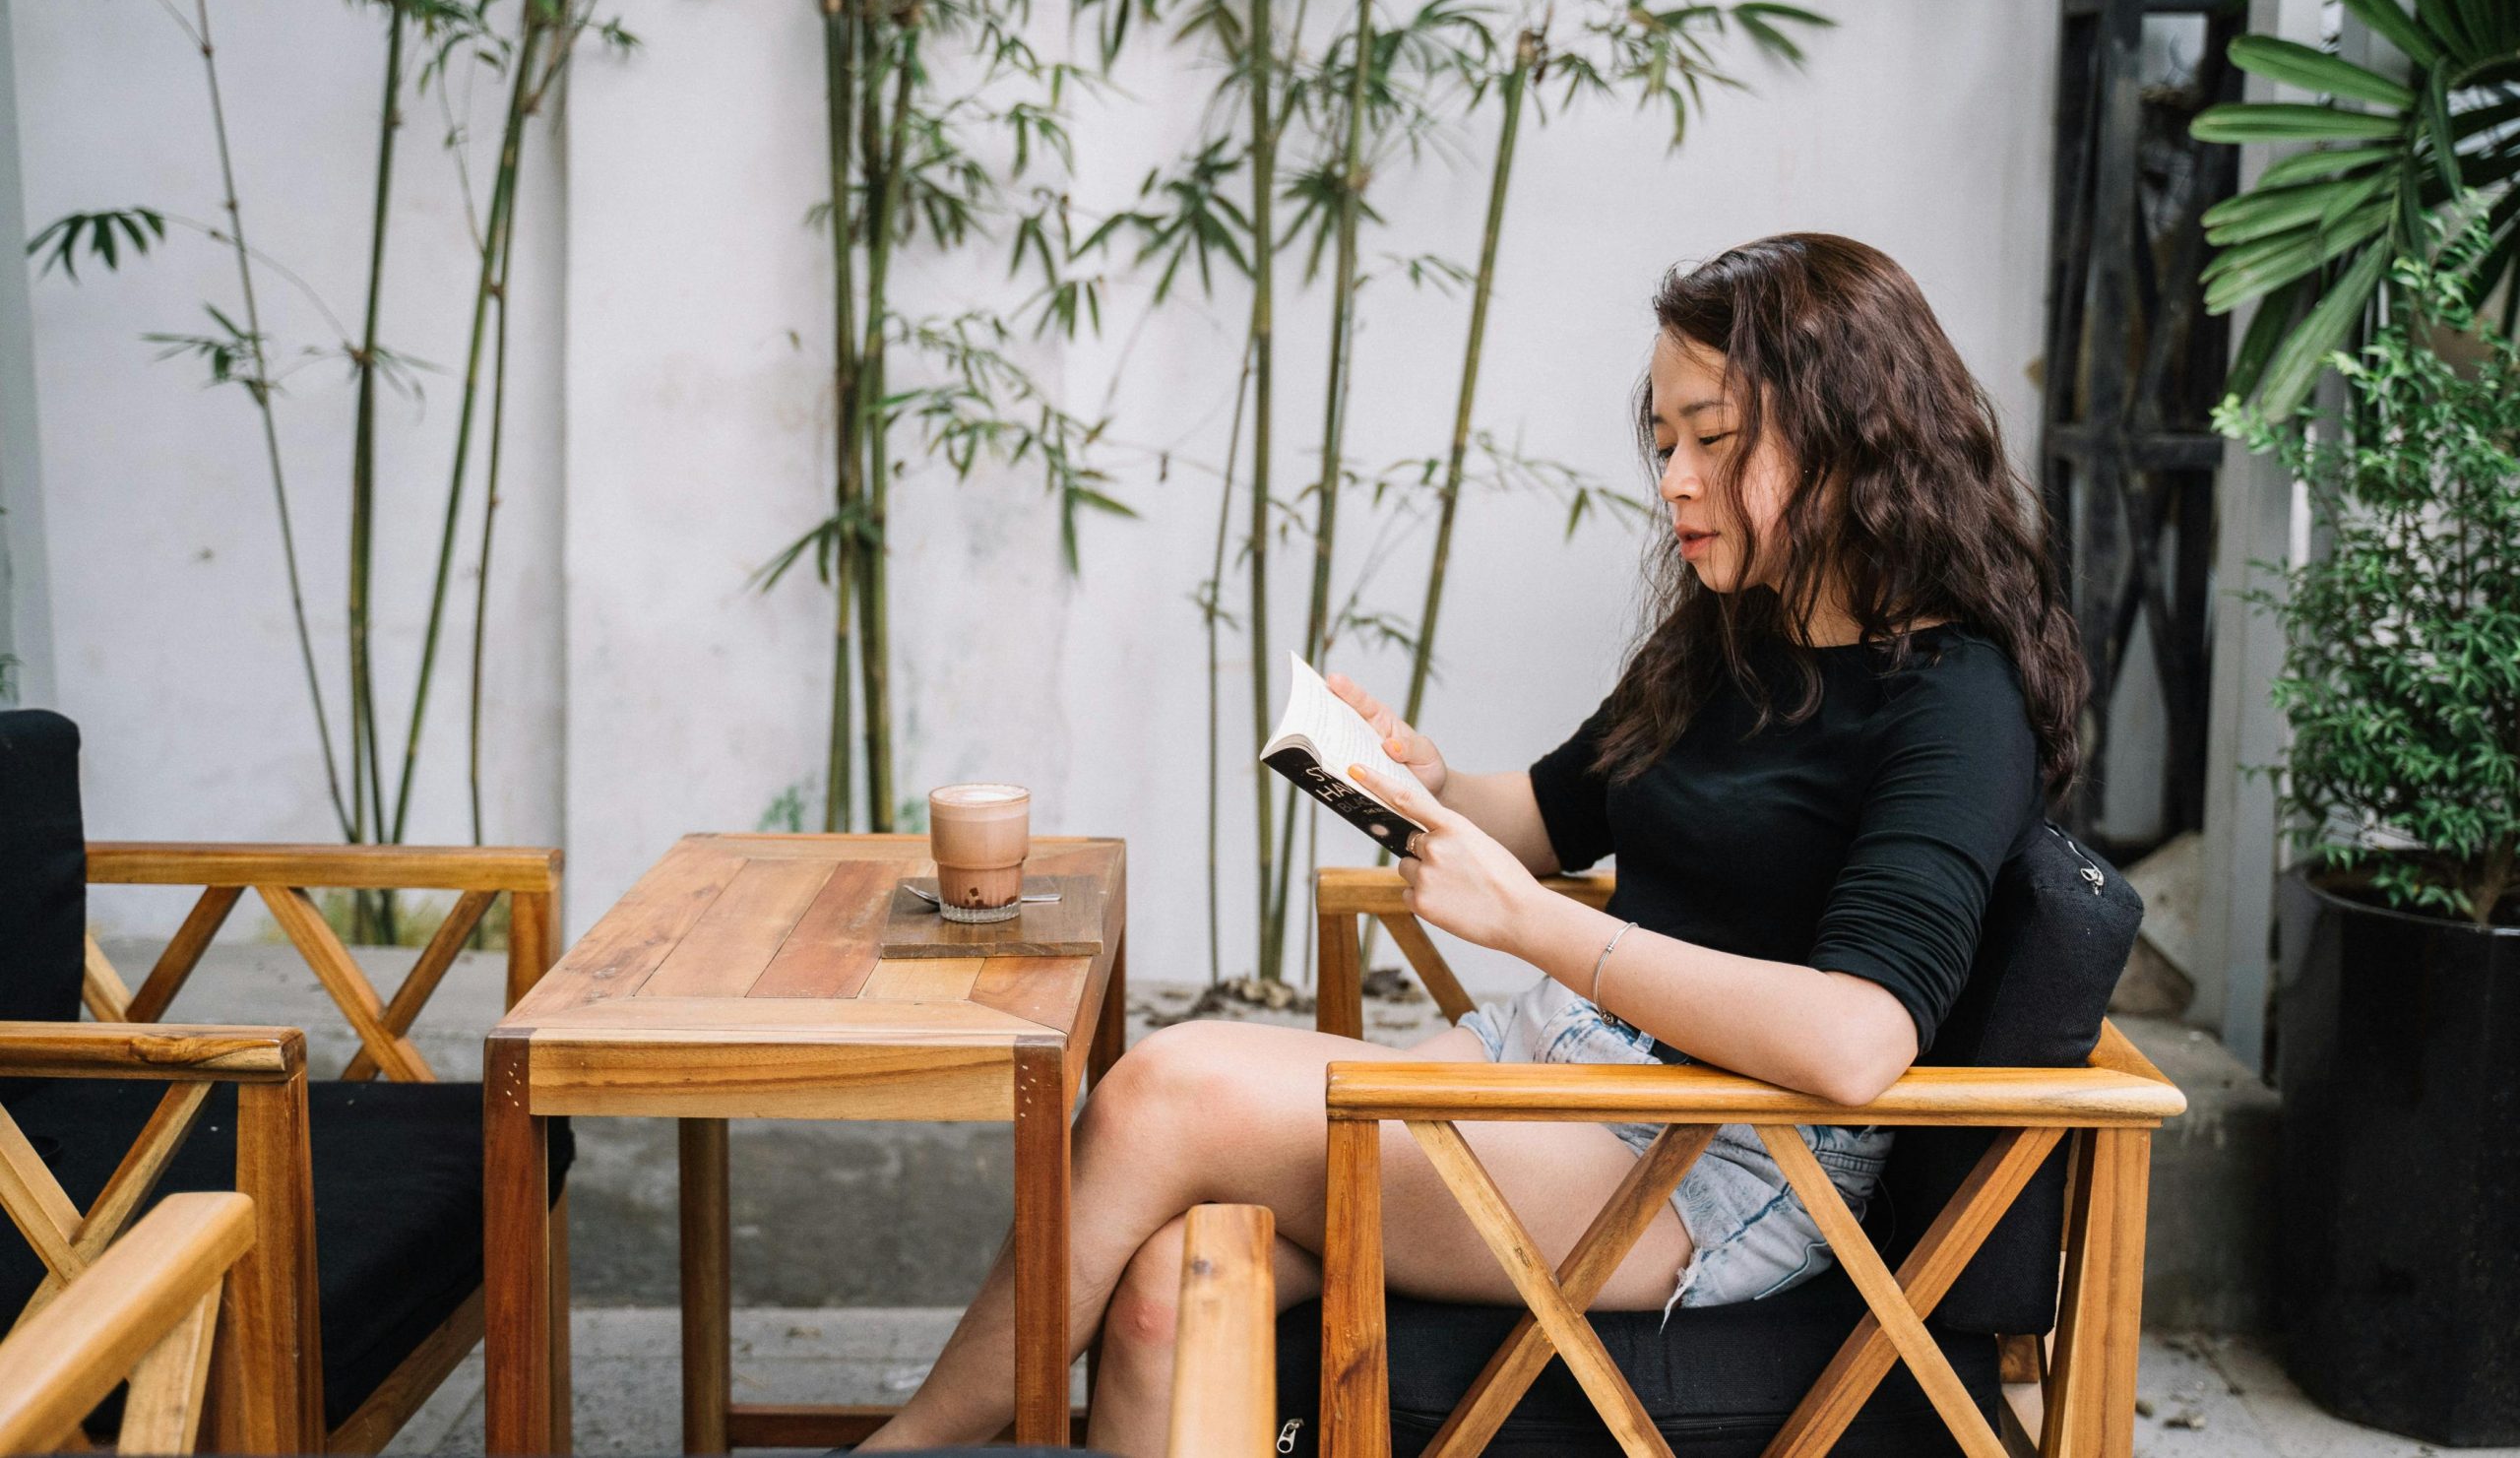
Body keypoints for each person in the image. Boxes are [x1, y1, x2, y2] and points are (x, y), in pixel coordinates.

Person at [859, 232, 2086, 1455]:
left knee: (1160, 1095)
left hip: (1723, 1159)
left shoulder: (1955, 701)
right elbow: (1544, 817)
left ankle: (906, 1448)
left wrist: (1529, 920)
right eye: (1663, 441)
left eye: (1713, 439)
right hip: (1558, 1066)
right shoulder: (1734, 631)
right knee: (1167, 1293)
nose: (1673, 478)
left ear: (1851, 434)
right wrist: (1417, 779)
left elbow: (1856, 1036)